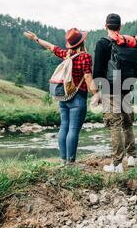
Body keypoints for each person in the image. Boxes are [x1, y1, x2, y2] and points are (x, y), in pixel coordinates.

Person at [24, 28, 98, 165]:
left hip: (64, 97)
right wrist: (96, 94)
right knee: (73, 129)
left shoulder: (67, 55)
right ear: (82, 42)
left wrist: (36, 38)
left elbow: (51, 47)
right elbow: (88, 77)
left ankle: (63, 160)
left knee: (64, 127)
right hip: (78, 97)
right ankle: (71, 162)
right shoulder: (84, 57)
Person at [92, 14, 137, 173]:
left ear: (105, 25)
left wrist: (97, 92)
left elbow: (98, 70)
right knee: (127, 122)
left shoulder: (102, 43)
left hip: (110, 88)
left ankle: (117, 164)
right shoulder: (131, 43)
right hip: (127, 87)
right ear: (120, 27)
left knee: (115, 124)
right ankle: (132, 157)